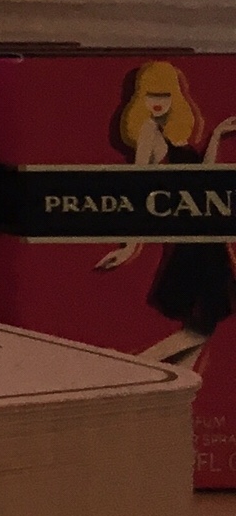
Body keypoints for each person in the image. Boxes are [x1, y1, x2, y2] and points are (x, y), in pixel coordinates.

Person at [98, 61, 236, 367]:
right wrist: (129, 247)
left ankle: (176, 389)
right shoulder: (149, 133)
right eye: (151, 95)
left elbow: (203, 179)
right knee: (200, 328)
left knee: (204, 327)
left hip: (206, 239)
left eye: (165, 95)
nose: (158, 102)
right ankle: (130, 367)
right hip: (190, 243)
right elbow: (139, 189)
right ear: (141, 99)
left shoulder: (177, 139)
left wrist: (216, 136)